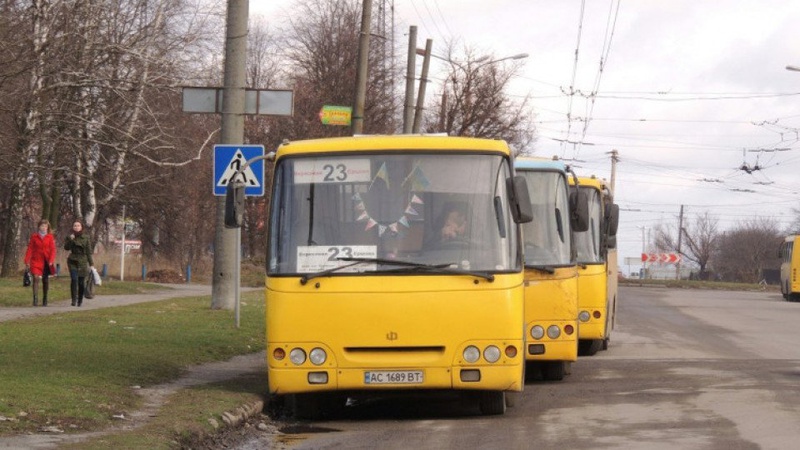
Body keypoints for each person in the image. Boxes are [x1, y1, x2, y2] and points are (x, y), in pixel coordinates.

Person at [24, 219, 57, 306]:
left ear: (47, 228)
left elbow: (53, 250)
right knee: (35, 278)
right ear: (39, 227)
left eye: (45, 226)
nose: (44, 228)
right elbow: (30, 248)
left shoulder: (50, 237)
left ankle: (45, 298)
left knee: (45, 280)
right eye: (42, 226)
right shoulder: (34, 236)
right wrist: (26, 260)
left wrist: (51, 260)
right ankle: (35, 299)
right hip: (36, 260)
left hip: (46, 261)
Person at [64, 220, 94, 307]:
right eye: (75, 226)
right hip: (72, 260)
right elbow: (66, 248)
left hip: (83, 261)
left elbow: (88, 251)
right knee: (74, 279)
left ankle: (80, 300)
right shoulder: (70, 237)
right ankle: (73, 299)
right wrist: (70, 239)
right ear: (73, 227)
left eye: (78, 226)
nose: (76, 227)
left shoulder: (86, 238)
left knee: (81, 282)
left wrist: (91, 263)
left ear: (81, 227)